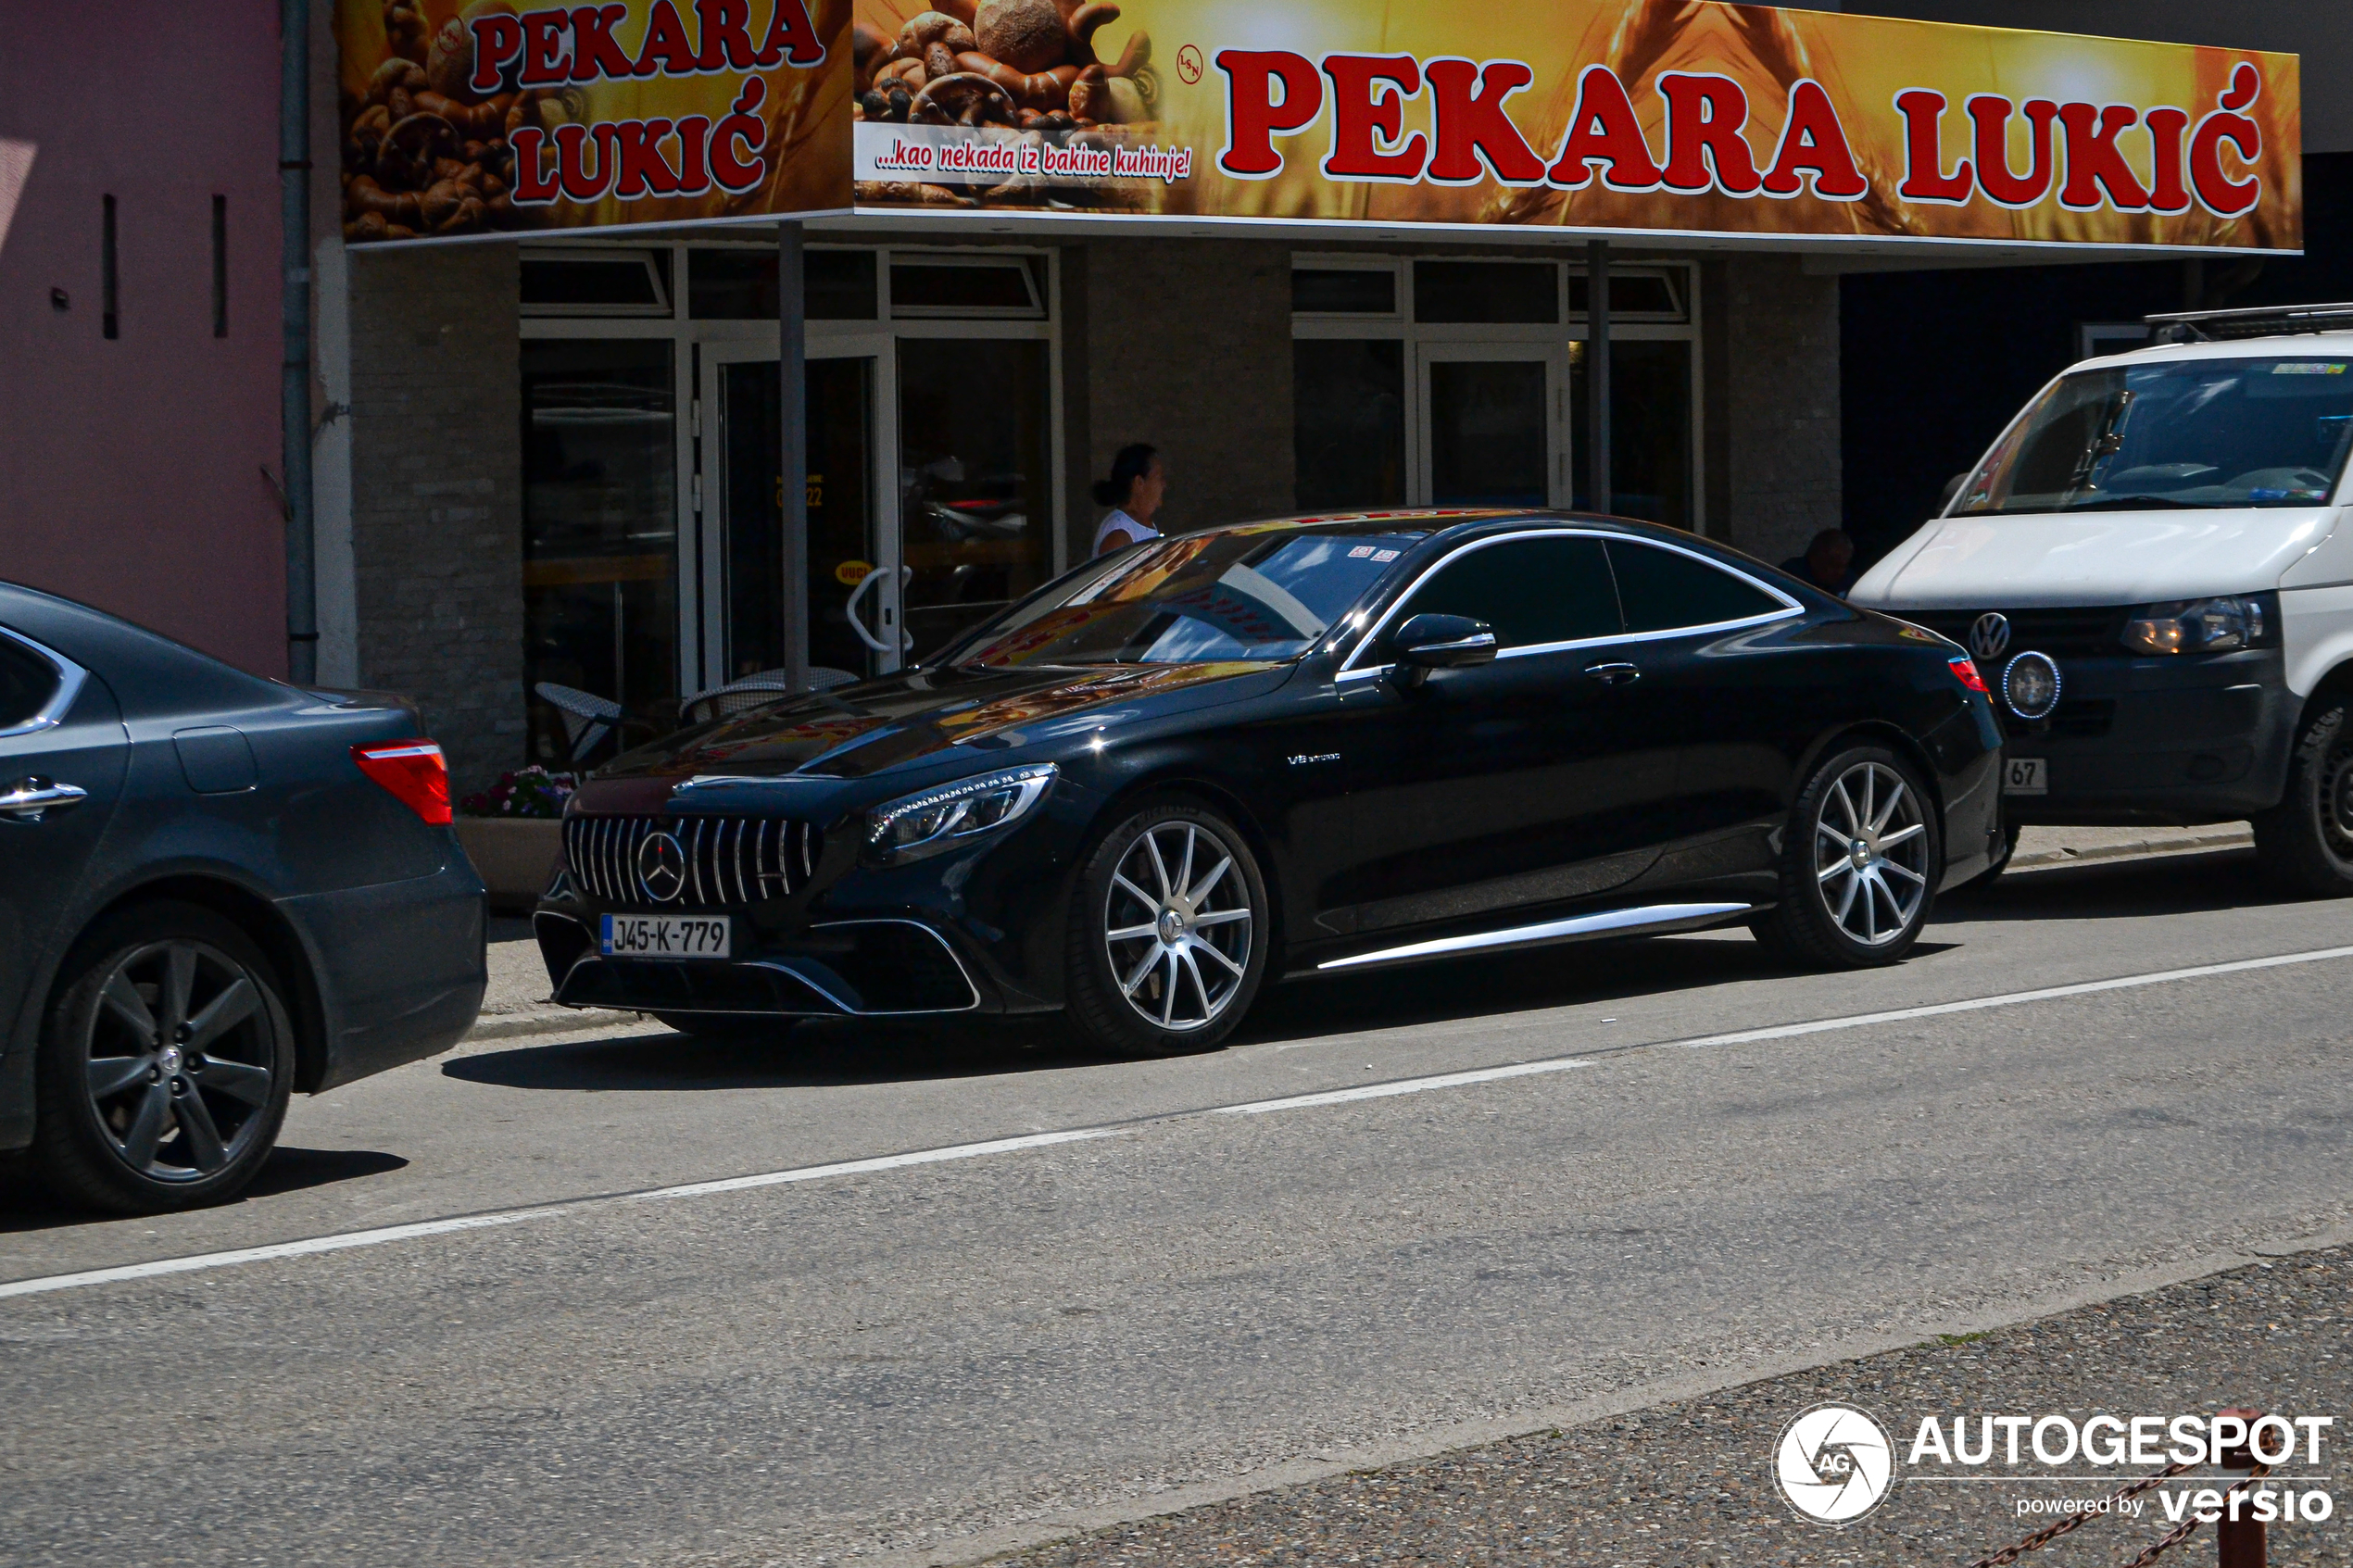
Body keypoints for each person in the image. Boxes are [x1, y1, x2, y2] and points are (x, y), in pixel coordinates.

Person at [1092, 444, 1166, 555]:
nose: (1164, 485)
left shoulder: (1141, 523)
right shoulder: (1119, 536)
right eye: (1159, 478)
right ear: (1139, 482)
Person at [1780, 527, 1857, 595]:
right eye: (1833, 565)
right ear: (1814, 559)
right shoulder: (1791, 576)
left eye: (1843, 566)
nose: (1839, 572)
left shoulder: (1849, 582)